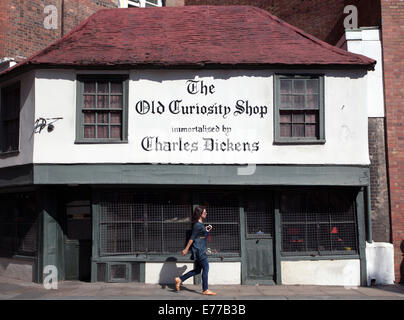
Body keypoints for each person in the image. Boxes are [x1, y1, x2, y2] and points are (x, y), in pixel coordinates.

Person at [174, 205, 216, 295]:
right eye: (204, 212)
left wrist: (207, 229)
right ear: (200, 214)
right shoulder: (197, 225)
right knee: (206, 268)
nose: (206, 213)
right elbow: (192, 238)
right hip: (199, 250)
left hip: (199, 249)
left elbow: (200, 234)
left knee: (197, 270)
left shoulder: (199, 224)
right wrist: (186, 249)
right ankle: (205, 289)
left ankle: (180, 279)